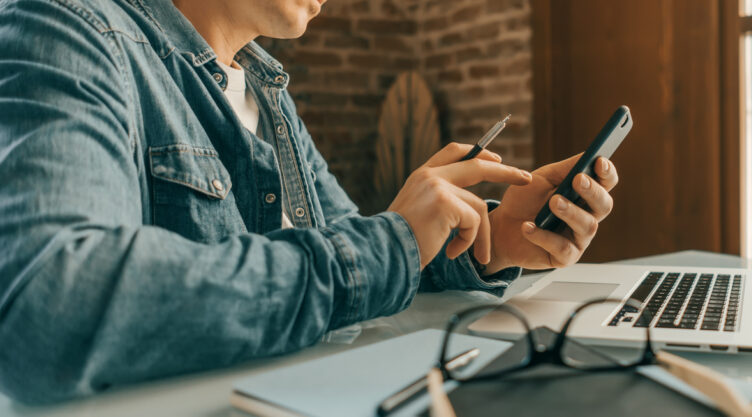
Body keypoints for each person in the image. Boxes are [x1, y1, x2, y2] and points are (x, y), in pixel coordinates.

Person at [0, 0, 619, 405]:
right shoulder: (71, 29)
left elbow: (355, 251)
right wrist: (389, 242)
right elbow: (55, 305)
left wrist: (492, 242)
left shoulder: (269, 94)